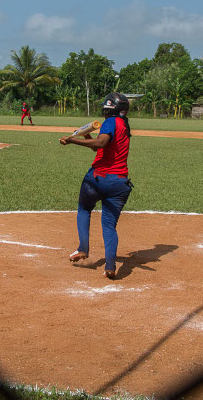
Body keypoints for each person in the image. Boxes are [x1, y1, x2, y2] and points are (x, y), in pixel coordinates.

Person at [60, 93, 133, 280]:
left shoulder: (110, 122)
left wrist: (71, 140)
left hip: (98, 178)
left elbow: (101, 143)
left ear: (110, 108)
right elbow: (97, 146)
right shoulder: (124, 125)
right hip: (120, 183)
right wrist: (86, 135)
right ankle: (110, 267)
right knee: (109, 226)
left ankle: (83, 248)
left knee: (84, 209)